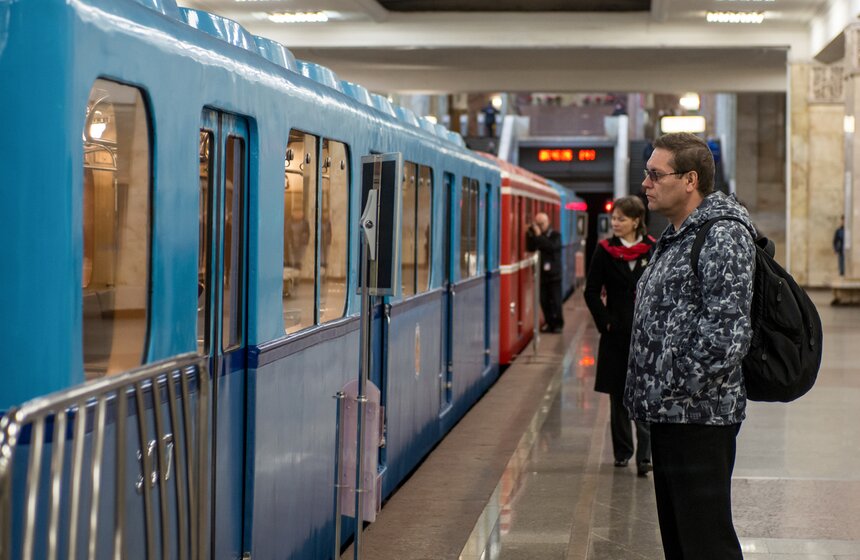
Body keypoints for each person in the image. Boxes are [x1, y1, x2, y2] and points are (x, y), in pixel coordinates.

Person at [625, 132, 756, 560]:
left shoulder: (722, 236)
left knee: (705, 542)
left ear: (689, 180)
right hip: (672, 413)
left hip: (699, 416)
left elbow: (727, 331)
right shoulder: (679, 234)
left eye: (654, 174)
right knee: (682, 541)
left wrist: (676, 384)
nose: (645, 183)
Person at [584, 196, 655, 476]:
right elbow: (590, 291)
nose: (615, 223)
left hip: (646, 336)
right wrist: (606, 323)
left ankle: (645, 456)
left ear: (636, 221)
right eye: (614, 219)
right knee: (619, 396)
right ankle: (623, 452)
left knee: (646, 395)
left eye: (621, 219)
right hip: (615, 335)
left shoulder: (653, 248)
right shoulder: (605, 251)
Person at [526, 212, 564, 333]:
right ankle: (549, 323)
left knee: (556, 301)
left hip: (554, 275)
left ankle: (558, 324)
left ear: (547, 223)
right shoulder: (537, 237)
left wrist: (538, 236)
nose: (540, 226)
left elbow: (551, 247)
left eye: (542, 224)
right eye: (538, 224)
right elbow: (531, 247)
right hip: (541, 275)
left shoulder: (555, 235)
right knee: (544, 300)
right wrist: (531, 235)